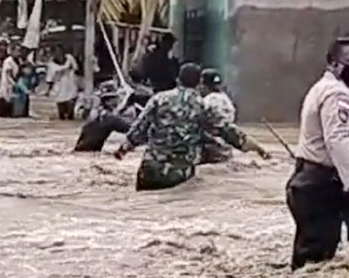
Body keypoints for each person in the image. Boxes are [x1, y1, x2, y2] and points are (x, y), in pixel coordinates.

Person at [286, 37, 349, 270]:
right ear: (333, 64)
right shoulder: (338, 95)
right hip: (319, 184)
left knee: (314, 254)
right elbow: (337, 140)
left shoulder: (325, 87)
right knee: (316, 259)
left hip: (309, 180)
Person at [114, 63, 267, 190]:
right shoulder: (203, 107)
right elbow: (230, 133)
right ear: (199, 83)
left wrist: (123, 150)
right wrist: (259, 148)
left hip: (148, 171)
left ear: (178, 80)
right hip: (178, 174)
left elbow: (139, 129)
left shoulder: (158, 99)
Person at [74, 80, 152, 152]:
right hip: (89, 152)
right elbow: (131, 130)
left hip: (82, 150)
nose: (118, 100)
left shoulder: (95, 113)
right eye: (116, 98)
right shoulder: (109, 118)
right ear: (110, 100)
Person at [197, 69, 238, 163]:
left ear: (204, 85)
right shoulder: (227, 100)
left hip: (210, 150)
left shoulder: (207, 101)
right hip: (226, 150)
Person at [46, 46, 80, 120]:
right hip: (59, 87)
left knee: (70, 110)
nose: (59, 54)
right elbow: (49, 78)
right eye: (56, 53)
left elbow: (76, 69)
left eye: (60, 52)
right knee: (62, 113)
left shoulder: (70, 59)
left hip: (70, 84)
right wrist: (48, 90)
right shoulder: (51, 65)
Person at [0, 40, 17, 117]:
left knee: (6, 95)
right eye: (1, 46)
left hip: (5, 78)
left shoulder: (9, 59)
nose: (3, 48)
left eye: (4, 46)